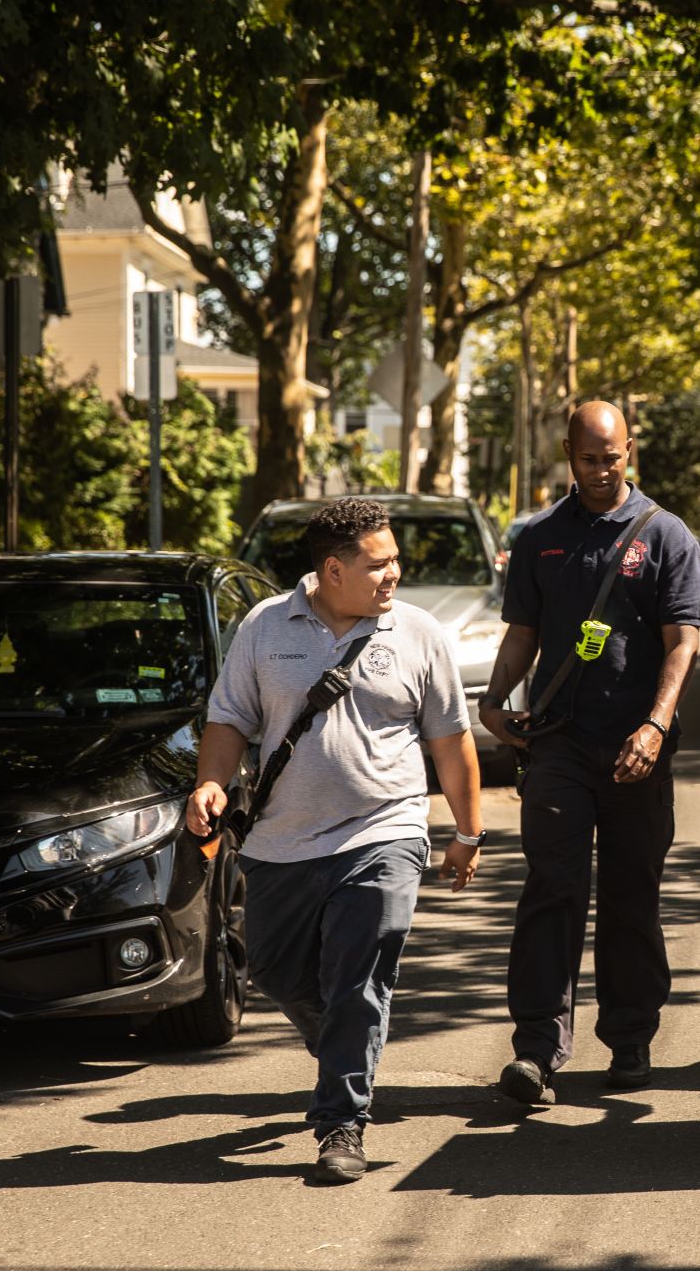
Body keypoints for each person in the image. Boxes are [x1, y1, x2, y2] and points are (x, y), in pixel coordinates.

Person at [186, 497, 484, 1184]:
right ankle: (345, 1045)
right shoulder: (265, 627)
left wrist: (467, 831)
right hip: (283, 840)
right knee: (274, 969)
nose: (394, 575)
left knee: (359, 974)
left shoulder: (418, 633)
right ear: (332, 568)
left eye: (396, 561)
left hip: (386, 827)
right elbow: (229, 718)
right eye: (378, 564)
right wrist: (211, 782)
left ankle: (341, 1120)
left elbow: (450, 738)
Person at [479, 401, 700, 1106]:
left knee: (630, 891)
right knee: (552, 887)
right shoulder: (542, 537)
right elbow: (523, 630)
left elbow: (683, 642)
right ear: (568, 456)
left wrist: (655, 726)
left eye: (613, 458)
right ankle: (537, 1049)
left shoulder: (667, 536)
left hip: (637, 747)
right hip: (560, 743)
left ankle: (630, 1035)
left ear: (629, 451)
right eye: (589, 459)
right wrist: (494, 697)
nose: (603, 470)